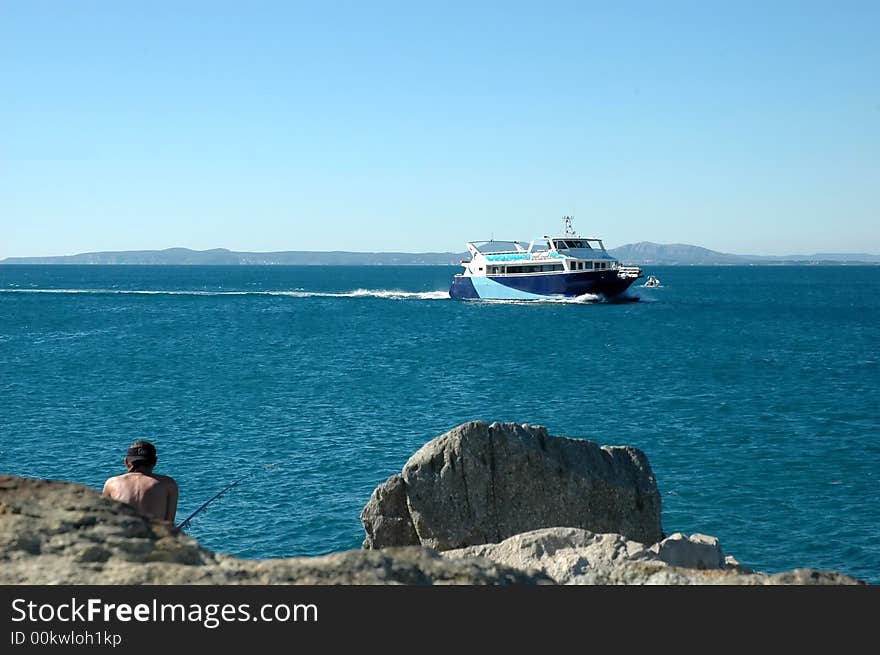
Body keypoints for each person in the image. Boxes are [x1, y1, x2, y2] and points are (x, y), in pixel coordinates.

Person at [102, 440, 178, 523]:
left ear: (127, 462)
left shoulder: (111, 483)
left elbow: (104, 519)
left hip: (121, 534)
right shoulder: (168, 484)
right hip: (153, 534)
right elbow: (170, 523)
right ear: (155, 462)